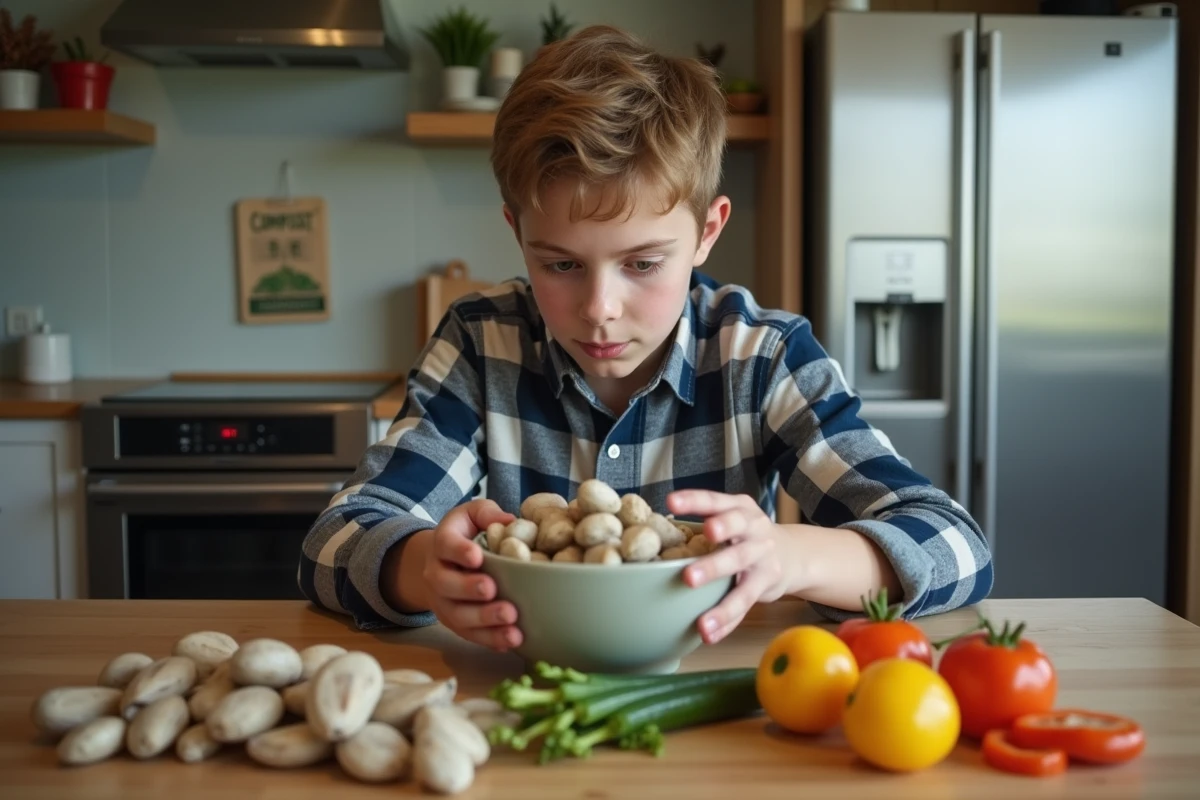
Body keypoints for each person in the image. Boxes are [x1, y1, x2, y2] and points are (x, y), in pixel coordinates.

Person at [297, 24, 993, 652]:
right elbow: (335, 539)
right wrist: (421, 570)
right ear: (517, 233)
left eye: (643, 264)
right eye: (561, 264)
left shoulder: (764, 356)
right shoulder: (481, 345)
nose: (600, 309)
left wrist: (789, 556)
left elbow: (957, 546)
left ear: (708, 231)